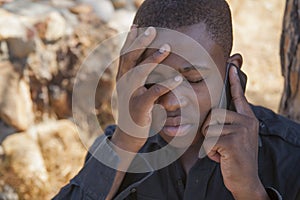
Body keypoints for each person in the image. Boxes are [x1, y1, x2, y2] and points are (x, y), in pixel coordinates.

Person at [53, 0, 300, 199]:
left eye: (194, 80)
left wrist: (249, 191)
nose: (171, 103)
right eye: (154, 82)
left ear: (231, 70)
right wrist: (125, 141)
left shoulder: (288, 155)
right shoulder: (120, 150)